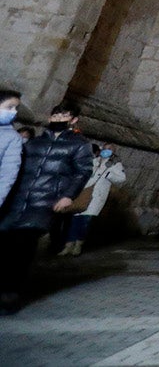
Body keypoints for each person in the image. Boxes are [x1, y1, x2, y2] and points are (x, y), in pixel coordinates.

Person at [0, 100, 93, 314]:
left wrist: (68, 195)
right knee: (6, 245)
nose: (59, 119)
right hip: (19, 199)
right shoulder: (34, 143)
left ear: (73, 120)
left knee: (23, 246)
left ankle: (9, 295)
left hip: (45, 201)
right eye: (56, 115)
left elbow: (82, 171)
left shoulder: (79, 144)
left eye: (64, 116)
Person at [59, 141, 127, 256]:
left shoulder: (115, 165)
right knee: (75, 220)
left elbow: (122, 179)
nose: (107, 151)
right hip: (83, 194)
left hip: (96, 196)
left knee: (85, 220)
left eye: (110, 149)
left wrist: (108, 174)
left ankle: (78, 244)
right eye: (105, 148)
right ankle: (68, 245)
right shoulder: (93, 161)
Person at [0, 89, 22, 208]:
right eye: (10, 107)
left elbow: (8, 174)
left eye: (16, 108)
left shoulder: (12, 138)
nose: (14, 112)